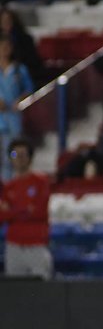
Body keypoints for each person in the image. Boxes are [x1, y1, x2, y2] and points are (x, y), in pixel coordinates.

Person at [0, 138, 51, 280]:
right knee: (15, 294)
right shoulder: (8, 187)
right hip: (13, 246)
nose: (19, 159)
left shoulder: (41, 181)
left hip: (36, 245)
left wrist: (11, 210)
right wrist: (23, 210)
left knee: (41, 292)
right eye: (15, 155)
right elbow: (1, 217)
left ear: (30, 157)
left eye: (23, 154)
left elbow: (38, 211)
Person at [0, 35, 33, 180]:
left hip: (14, 120)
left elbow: (29, 90)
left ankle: (13, 185)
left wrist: (20, 100)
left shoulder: (19, 70)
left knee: (12, 155)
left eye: (7, 47)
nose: (4, 50)